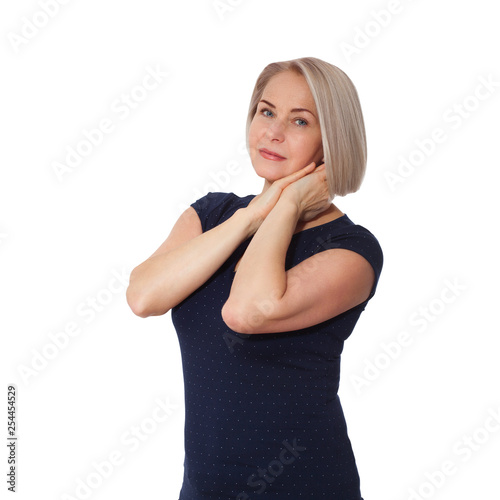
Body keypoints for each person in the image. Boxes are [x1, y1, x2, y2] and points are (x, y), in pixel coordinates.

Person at [126, 56, 383, 499]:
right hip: (204, 489)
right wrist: (251, 217)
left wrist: (285, 206)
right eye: (266, 112)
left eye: (300, 121)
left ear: (331, 141)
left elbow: (247, 311)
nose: (274, 132)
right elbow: (143, 296)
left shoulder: (352, 250)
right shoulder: (212, 214)